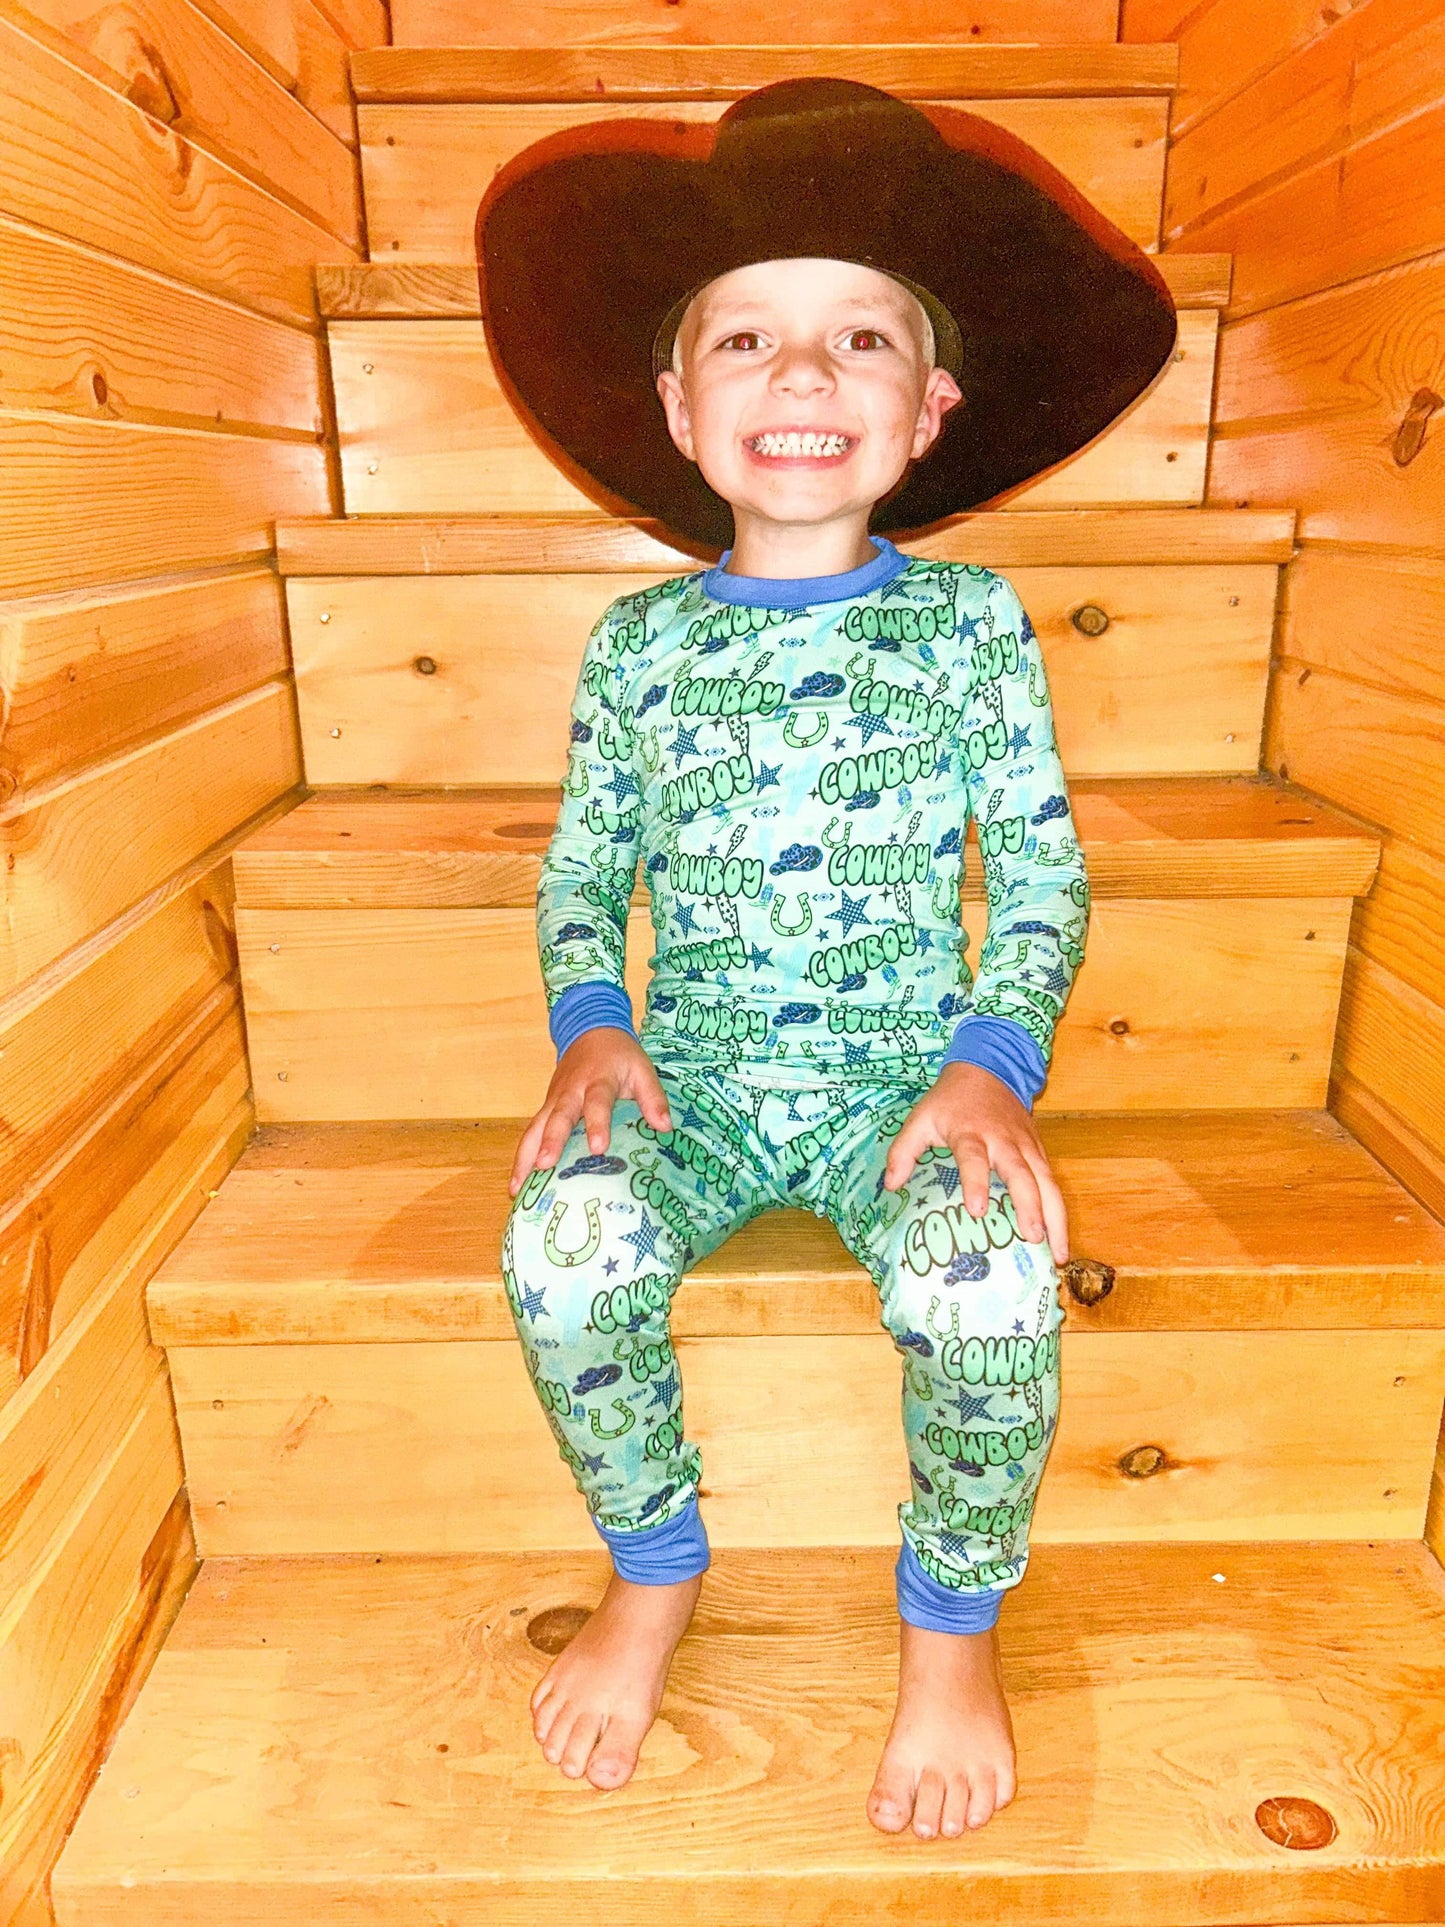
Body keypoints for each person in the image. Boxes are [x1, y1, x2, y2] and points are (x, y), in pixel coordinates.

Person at [482, 78, 1177, 1838]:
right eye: (747, 339)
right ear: (678, 406)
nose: (802, 374)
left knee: (990, 1288)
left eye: (860, 337)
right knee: (558, 1251)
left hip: (903, 1086)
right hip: (695, 1082)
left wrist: (986, 1067)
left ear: (926, 409)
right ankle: (652, 1570)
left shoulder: (966, 623)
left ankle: (951, 1628)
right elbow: (585, 864)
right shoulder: (636, 644)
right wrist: (590, 1026)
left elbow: (1039, 871)